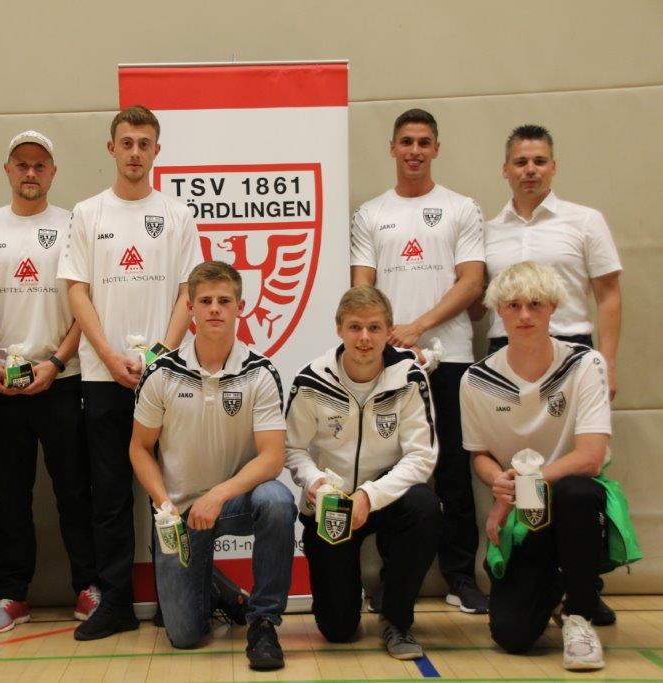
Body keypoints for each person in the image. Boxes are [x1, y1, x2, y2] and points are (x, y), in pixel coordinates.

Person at [58, 105, 201, 640]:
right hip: (103, 376)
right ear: (111, 148)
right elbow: (77, 292)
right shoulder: (87, 213)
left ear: (156, 151)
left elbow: (189, 292)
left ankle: (173, 598)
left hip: (164, 379)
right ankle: (116, 602)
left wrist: (161, 355)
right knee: (111, 496)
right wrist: (108, 354)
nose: (135, 152)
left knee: (170, 493)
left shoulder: (178, 215)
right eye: (127, 142)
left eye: (144, 143)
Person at [460, 261, 639, 671]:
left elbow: (590, 457)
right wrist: (499, 484)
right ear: (498, 310)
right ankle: (555, 586)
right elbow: (480, 455)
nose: (524, 315)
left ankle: (579, 614)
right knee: (513, 635)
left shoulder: (585, 364)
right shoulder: (476, 379)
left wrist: (519, 485)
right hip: (525, 513)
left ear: (553, 307)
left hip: (571, 501)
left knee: (579, 491)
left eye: (535, 304)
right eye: (513, 305)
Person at [480, 124, 623, 624]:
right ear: (506, 169)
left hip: (573, 354)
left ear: (553, 167)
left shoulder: (585, 221)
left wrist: (607, 361)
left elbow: (608, 293)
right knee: (513, 471)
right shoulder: (487, 230)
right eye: (521, 162)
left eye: (539, 161)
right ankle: (530, 575)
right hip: (506, 356)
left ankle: (584, 588)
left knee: (579, 477)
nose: (530, 170)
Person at [350, 108, 487, 614]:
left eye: (423, 142)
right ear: (392, 147)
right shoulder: (370, 213)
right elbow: (362, 289)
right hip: (387, 363)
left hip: (451, 358)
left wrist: (419, 327)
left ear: (436, 148)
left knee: (452, 471)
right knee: (393, 472)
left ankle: (460, 578)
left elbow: (472, 282)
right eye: (406, 141)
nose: (414, 151)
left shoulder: (461, 208)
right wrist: (390, 337)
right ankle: (391, 582)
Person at [130, 261, 295, 670]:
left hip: (236, 502)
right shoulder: (161, 372)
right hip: (181, 512)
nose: (215, 309)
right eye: (205, 301)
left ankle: (263, 622)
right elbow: (139, 448)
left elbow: (273, 457)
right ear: (190, 308)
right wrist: (163, 503)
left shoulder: (260, 372)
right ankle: (222, 591)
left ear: (241, 307)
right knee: (184, 636)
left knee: (277, 501)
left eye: (224, 300)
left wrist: (219, 494)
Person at [0, 131, 100, 634]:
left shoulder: (73, 224)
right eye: (21, 164)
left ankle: (88, 587)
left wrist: (58, 361)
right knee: (9, 495)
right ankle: (12, 594)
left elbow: (87, 303)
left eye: (39, 165)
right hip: (0, 384)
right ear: (8, 169)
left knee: (74, 490)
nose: (30, 172)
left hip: (62, 379)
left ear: (53, 172)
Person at [285, 285, 441, 660]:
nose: (365, 338)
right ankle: (345, 603)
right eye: (355, 327)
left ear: (389, 331)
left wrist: (370, 495)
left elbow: (421, 456)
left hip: (386, 498)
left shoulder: (410, 377)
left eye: (374, 327)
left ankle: (396, 618)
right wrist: (316, 482)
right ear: (339, 328)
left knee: (424, 506)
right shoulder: (311, 380)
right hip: (331, 505)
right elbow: (292, 449)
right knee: (337, 631)